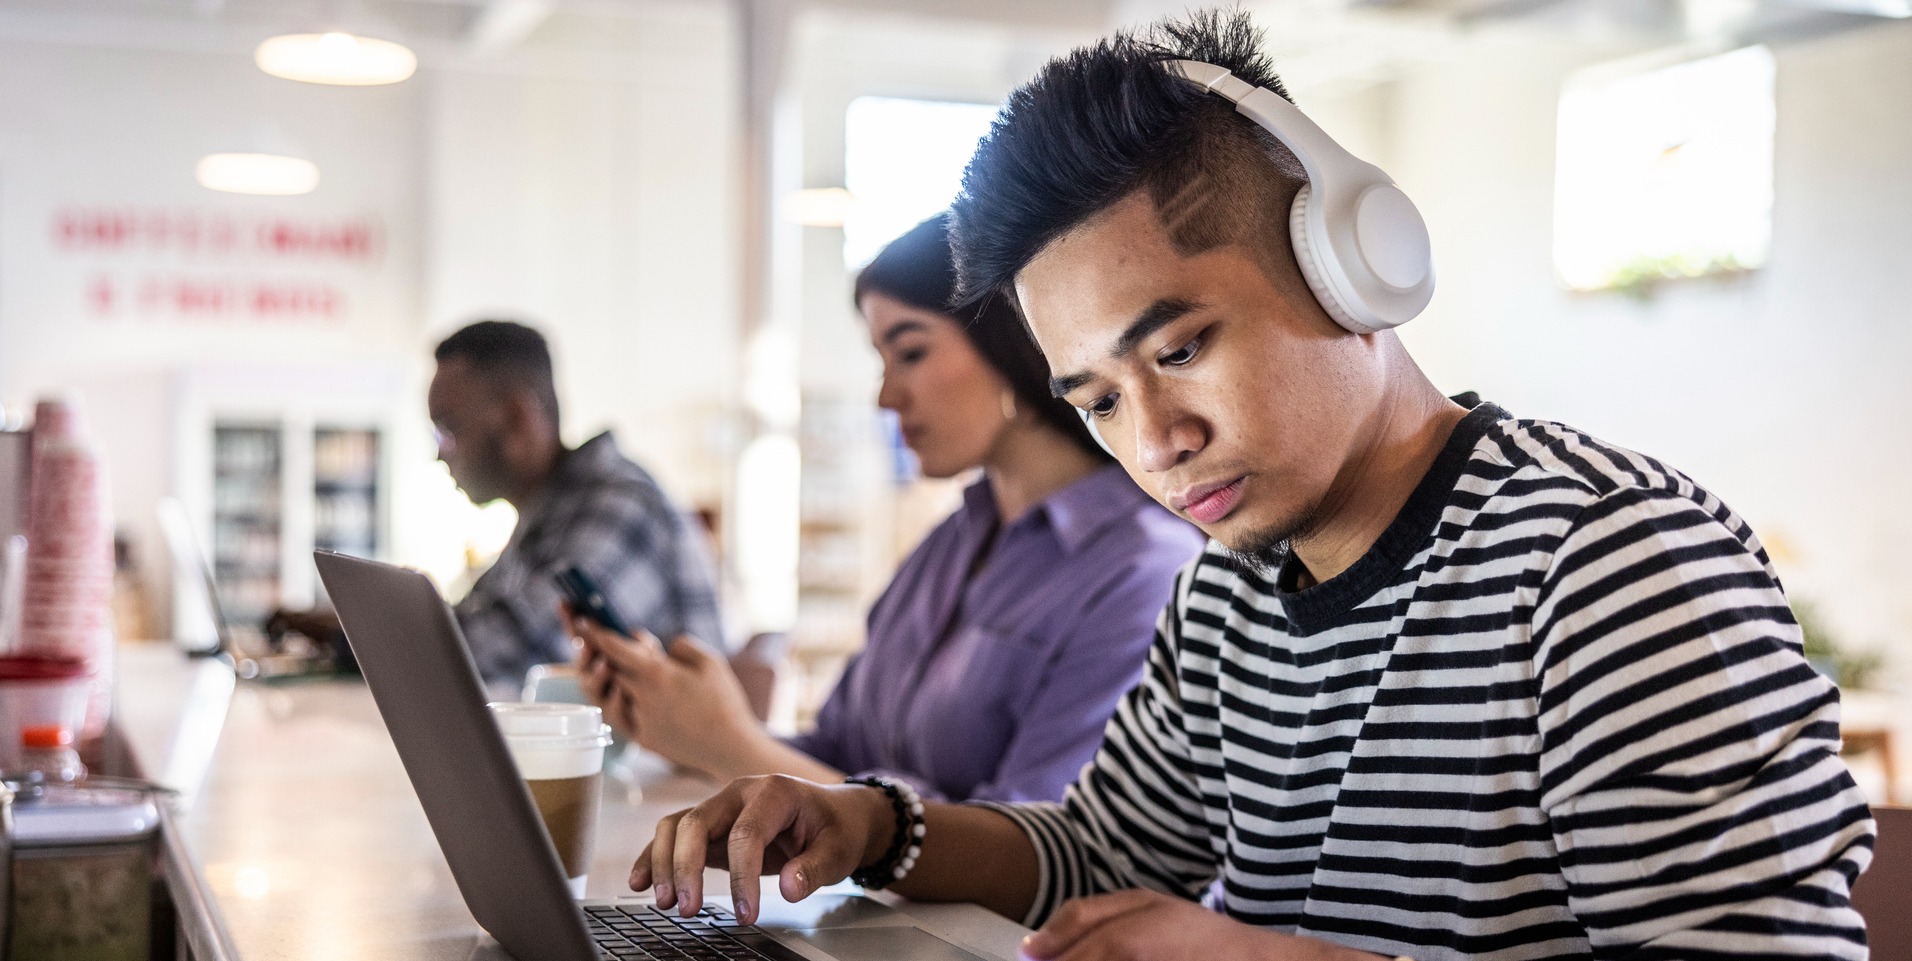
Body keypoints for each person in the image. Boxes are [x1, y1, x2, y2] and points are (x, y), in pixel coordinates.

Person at [625, 12, 1875, 961]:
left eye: (1178, 349)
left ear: (1352, 267)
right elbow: (1099, 850)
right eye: (1099, 399)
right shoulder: (1232, 591)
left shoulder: (1610, 566)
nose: (1155, 438)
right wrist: (869, 827)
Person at [569, 215, 1201, 803]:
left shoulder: (1143, 572)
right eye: (881, 360)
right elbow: (837, 756)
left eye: (911, 352)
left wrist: (732, 745)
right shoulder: (949, 545)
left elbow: (1034, 853)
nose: (885, 397)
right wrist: (685, 729)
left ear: (1011, 339)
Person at [280, 319, 725, 691]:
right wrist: (348, 627)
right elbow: (470, 623)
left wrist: (350, 637)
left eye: (448, 430)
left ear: (516, 419)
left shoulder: (618, 506)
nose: (440, 454)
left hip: (673, 788)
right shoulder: (548, 513)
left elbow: (506, 652)